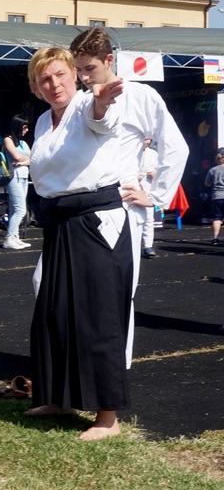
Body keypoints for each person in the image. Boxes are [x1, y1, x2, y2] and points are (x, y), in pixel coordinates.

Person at [25, 46, 133, 441]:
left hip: (95, 222)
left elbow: (101, 120)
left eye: (59, 75)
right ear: (37, 86)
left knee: (97, 318)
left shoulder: (89, 104)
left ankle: (108, 418)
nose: (53, 84)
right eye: (44, 79)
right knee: (54, 311)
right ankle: (56, 396)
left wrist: (102, 102)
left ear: (75, 74)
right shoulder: (41, 122)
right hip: (59, 223)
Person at [70, 27, 189, 367]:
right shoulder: (81, 100)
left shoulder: (141, 96)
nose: (82, 76)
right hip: (83, 205)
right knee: (49, 281)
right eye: (78, 69)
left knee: (118, 292)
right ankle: (79, 360)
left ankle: (114, 370)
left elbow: (176, 146)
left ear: (109, 60)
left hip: (122, 206)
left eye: (89, 68)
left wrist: (155, 195)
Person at [2, 115, 32, 250]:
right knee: (21, 209)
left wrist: (23, 161)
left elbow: (33, 158)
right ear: (18, 126)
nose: (26, 130)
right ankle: (9, 238)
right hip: (13, 177)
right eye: (24, 127)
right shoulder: (8, 140)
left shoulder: (23, 143)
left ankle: (15, 236)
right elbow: (16, 156)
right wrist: (25, 160)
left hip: (24, 177)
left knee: (16, 208)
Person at [138, 138, 159, 258]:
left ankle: (148, 246)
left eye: (148, 140)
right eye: (144, 139)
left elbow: (160, 171)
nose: (146, 142)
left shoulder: (153, 154)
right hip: (133, 189)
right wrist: (135, 177)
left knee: (149, 219)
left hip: (148, 190)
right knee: (134, 218)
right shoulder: (130, 151)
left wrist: (155, 174)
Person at [204, 151, 224, 245]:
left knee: (217, 218)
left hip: (217, 196)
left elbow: (207, 183)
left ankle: (215, 238)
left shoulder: (213, 170)